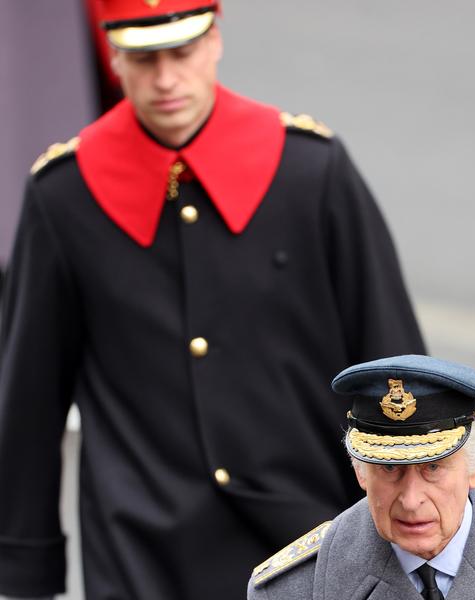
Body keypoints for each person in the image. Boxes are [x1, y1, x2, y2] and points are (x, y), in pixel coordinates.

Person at [0, 1, 426, 599]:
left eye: (183, 51)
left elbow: (390, 359)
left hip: (309, 535)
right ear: (113, 57)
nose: (167, 79)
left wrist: (420, 513)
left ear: (216, 42)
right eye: (145, 58)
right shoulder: (65, 195)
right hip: (138, 555)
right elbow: (30, 400)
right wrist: (25, 569)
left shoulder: (310, 169)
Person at [249, 354, 475, 599]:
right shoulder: (288, 590)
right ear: (360, 472)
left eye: (433, 467)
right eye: (389, 469)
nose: (411, 500)